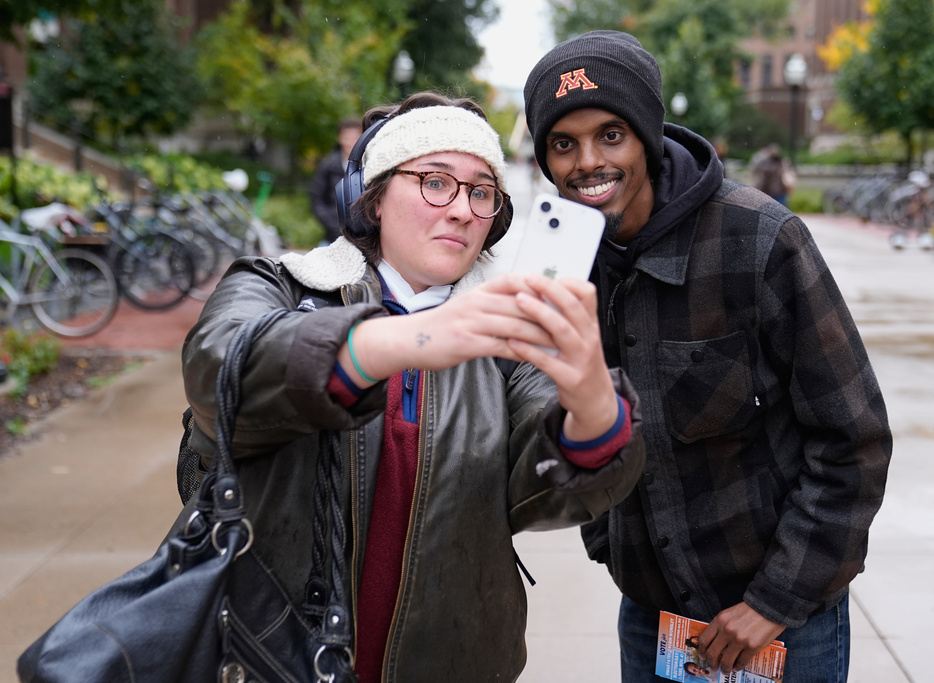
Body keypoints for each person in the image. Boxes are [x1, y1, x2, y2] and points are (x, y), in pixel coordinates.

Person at [176, 91, 645, 682]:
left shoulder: (506, 345)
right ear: (371, 199)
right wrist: (414, 339)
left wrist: (593, 403)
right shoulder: (279, 287)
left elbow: (553, 489)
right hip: (268, 656)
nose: (462, 210)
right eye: (435, 181)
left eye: (480, 191)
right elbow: (218, 371)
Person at [523, 30, 892, 682]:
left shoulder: (760, 239)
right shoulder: (562, 266)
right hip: (652, 621)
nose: (587, 161)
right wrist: (609, 542)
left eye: (611, 134)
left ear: (647, 135)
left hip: (781, 624)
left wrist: (773, 602)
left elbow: (853, 441)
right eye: (563, 143)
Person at [310, 118, 363, 244]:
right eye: (347, 137)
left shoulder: (369, 164)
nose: (351, 142)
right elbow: (316, 199)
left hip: (364, 238)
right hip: (332, 236)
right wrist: (333, 225)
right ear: (339, 138)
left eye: (355, 137)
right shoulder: (328, 166)